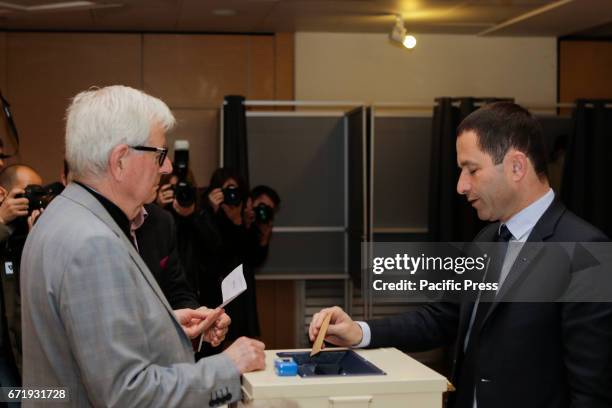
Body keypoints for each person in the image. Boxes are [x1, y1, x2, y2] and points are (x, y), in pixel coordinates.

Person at [309, 102, 612, 408]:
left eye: (472, 170)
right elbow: (443, 318)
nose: (461, 186)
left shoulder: (585, 251)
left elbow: (592, 390)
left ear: (517, 167)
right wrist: (359, 332)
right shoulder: (487, 240)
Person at [20, 85, 265, 407]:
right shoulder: (93, 244)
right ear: (120, 160)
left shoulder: (64, 215)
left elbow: (85, 341)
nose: (165, 170)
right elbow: (127, 395)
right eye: (159, 155)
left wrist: (163, 330)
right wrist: (227, 366)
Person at [0, 164, 43, 386]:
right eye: (27, 192)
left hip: (27, 351)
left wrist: (38, 237)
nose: (32, 200)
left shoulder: (33, 232)